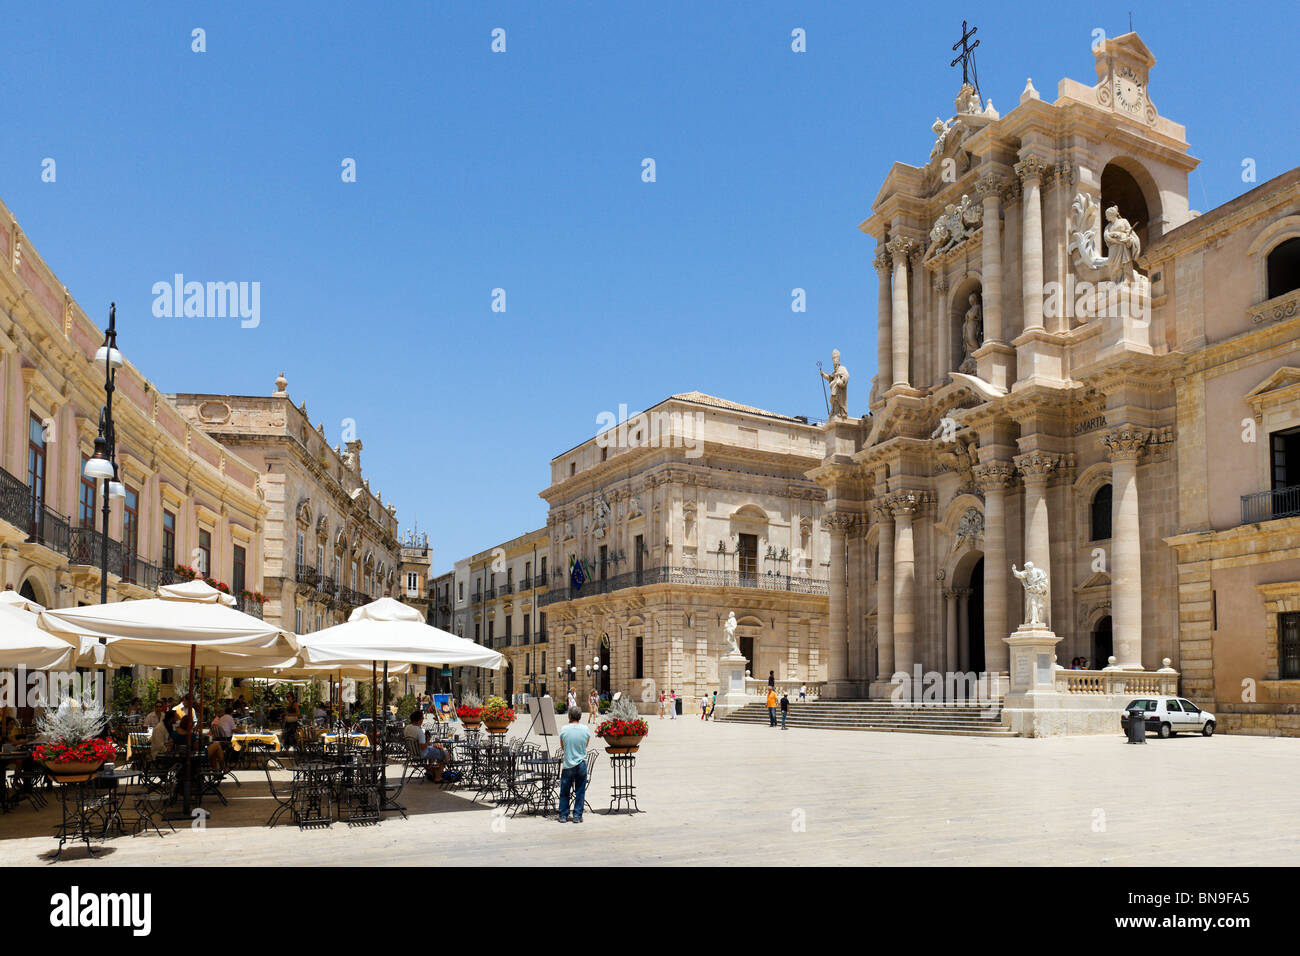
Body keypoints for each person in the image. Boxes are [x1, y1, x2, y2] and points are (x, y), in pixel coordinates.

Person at [557, 706, 591, 824]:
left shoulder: (564, 729)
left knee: (565, 791)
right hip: (581, 764)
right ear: (580, 716)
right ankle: (577, 816)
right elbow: (586, 745)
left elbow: (562, 747)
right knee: (580, 791)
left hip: (568, 764)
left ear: (569, 716)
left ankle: (563, 815)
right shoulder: (585, 729)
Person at [403, 710, 448, 781]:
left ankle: (430, 770)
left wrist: (429, 744)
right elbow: (423, 747)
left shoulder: (407, 728)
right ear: (419, 720)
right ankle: (438, 776)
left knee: (434, 750)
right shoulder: (419, 731)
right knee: (445, 753)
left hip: (413, 753)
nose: (423, 720)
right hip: (422, 753)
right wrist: (429, 743)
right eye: (422, 718)